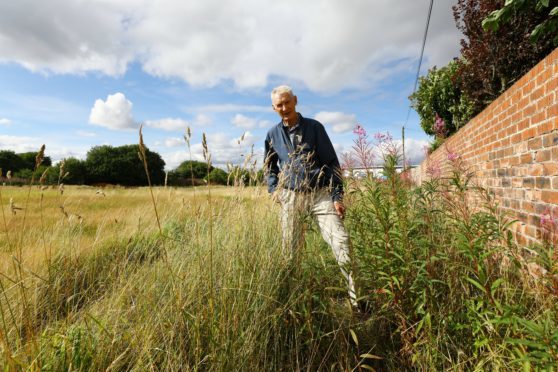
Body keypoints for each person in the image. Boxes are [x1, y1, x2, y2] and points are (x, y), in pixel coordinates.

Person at [264, 85, 357, 307]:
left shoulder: (315, 127)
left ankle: (356, 301)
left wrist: (337, 196)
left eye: (287, 102)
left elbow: (332, 163)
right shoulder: (271, 135)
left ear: (295, 101)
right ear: (273, 108)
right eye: (279, 105)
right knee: (290, 250)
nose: (284, 108)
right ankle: (295, 300)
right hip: (291, 196)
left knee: (341, 242)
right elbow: (269, 167)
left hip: (320, 195)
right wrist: (274, 189)